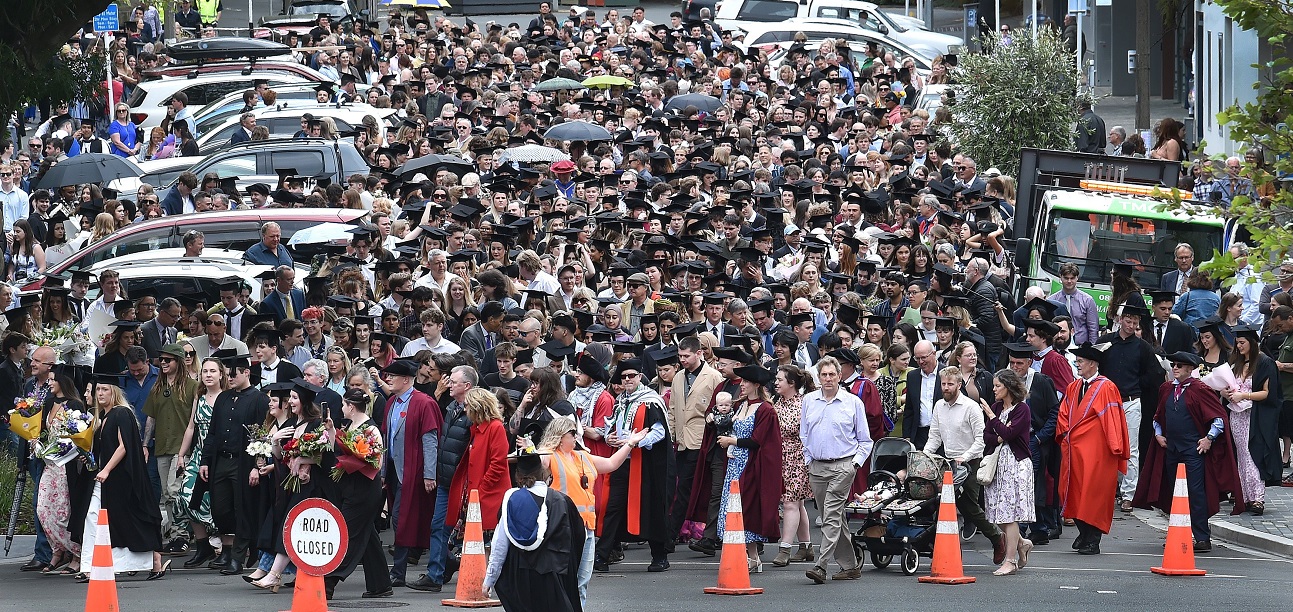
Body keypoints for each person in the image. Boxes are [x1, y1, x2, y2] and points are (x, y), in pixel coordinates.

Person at [1132, 351, 1244, 552]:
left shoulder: (1201, 389)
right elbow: (1158, 416)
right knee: (1175, 494)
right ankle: (1179, 534)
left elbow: (1218, 418)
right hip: (1171, 450)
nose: (1174, 368)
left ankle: (1202, 538)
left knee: (1195, 493)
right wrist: (1158, 433)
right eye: (1173, 364)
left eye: (1179, 365)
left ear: (1190, 369)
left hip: (1193, 451)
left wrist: (1208, 438)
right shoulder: (1166, 388)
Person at [538, 414, 647, 607]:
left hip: (587, 528)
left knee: (582, 581)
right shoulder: (549, 455)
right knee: (563, 579)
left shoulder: (583, 457)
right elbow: (538, 461)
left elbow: (612, 464)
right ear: (561, 435)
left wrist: (630, 444)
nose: (577, 437)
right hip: (562, 527)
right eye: (573, 433)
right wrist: (530, 451)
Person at [594, 358, 673, 573]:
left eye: (631, 376)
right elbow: (614, 428)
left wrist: (635, 441)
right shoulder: (621, 402)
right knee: (613, 508)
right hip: (622, 463)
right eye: (624, 377)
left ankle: (660, 556)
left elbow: (659, 432)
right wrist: (611, 438)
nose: (627, 379)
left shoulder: (651, 401)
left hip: (647, 466)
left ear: (640, 376)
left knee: (651, 508)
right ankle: (602, 555)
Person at [800, 355, 872, 584]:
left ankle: (821, 565)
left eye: (832, 374)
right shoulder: (809, 401)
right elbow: (804, 434)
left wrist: (855, 464)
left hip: (843, 465)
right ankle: (850, 566)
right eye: (824, 375)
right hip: (817, 467)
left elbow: (865, 440)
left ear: (840, 376)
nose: (828, 379)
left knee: (830, 514)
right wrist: (808, 459)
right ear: (818, 377)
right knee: (833, 516)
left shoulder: (853, 402)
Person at [89, 371, 168, 580]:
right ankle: (134, 561)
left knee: (134, 516)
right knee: (119, 520)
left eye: (105, 389)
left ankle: (156, 559)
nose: (100, 393)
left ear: (114, 392)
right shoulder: (104, 417)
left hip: (124, 475)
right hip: (112, 479)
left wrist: (106, 469)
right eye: (98, 389)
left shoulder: (121, 413)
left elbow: (124, 446)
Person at [483, 450, 584, 612]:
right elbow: (578, 539)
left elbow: (499, 545)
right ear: (543, 473)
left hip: (521, 578)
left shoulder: (512, 500)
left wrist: (489, 580)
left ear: (518, 476)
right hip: (554, 576)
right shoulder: (562, 501)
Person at [924, 365, 1006, 564]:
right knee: (936, 503)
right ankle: (935, 545)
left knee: (969, 507)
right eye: (943, 384)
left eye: (950, 384)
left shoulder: (971, 407)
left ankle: (996, 537)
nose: (946, 388)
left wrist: (965, 457)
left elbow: (980, 440)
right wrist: (924, 455)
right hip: (948, 463)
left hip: (971, 463)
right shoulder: (938, 407)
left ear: (959, 385)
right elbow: (934, 437)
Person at [1057, 342, 1131, 555]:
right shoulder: (1073, 387)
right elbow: (1064, 414)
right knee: (1072, 492)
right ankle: (1084, 532)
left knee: (1094, 494)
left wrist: (1115, 448)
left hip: (1097, 453)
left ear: (1092, 363)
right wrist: (1064, 435)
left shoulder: (1107, 387)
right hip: (1073, 451)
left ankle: (1093, 539)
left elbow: (1113, 421)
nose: (1077, 365)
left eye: (1080, 361)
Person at [324, 388, 394, 599]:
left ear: (351, 407)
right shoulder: (349, 426)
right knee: (367, 535)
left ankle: (329, 581)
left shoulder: (371, 430)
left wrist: (358, 457)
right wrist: (332, 432)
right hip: (351, 487)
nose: (341, 408)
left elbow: (377, 461)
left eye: (344, 405)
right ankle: (381, 584)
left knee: (348, 533)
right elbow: (334, 451)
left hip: (364, 489)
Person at [380, 358, 442, 588]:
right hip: (396, 471)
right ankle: (446, 560)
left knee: (404, 520)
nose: (388, 379)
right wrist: (384, 472)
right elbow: (387, 439)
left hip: (414, 471)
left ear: (406, 379)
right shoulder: (392, 403)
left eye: (392, 376)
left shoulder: (423, 403)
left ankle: (398, 571)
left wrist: (429, 474)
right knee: (405, 520)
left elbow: (430, 441)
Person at [668, 336, 723, 547]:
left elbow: (720, 407)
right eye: (680, 356)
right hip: (682, 441)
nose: (682, 360)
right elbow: (673, 408)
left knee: (696, 490)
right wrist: (673, 435)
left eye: (686, 356)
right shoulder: (678, 377)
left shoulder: (713, 377)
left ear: (699, 353)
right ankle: (675, 532)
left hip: (703, 440)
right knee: (682, 489)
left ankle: (673, 534)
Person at [979, 368, 1035, 575]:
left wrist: (995, 420)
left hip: (1016, 464)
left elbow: (1009, 433)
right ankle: (1021, 543)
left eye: (997, 386)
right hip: (998, 465)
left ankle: (1010, 560)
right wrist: (1000, 433)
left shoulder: (1022, 409)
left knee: (1009, 513)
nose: (993, 390)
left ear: (1009, 387)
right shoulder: (996, 407)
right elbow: (988, 436)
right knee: (997, 512)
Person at [1225, 325, 1283, 513]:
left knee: (1253, 454)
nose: (1239, 346)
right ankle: (1245, 497)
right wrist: (1226, 393)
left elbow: (1268, 393)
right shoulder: (1236, 363)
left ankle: (1257, 498)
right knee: (1241, 456)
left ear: (1252, 342)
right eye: (1237, 343)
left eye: (1242, 342)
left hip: (1255, 415)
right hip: (1237, 415)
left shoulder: (1265, 363)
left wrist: (1244, 396)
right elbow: (1230, 386)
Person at [175, 357, 224, 569]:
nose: (209, 375)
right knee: (186, 498)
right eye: (205, 371)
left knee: (217, 503)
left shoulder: (227, 397)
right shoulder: (199, 395)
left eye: (213, 371)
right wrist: (180, 455)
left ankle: (222, 545)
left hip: (219, 458)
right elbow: (190, 428)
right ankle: (202, 545)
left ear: (221, 374)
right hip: (197, 455)